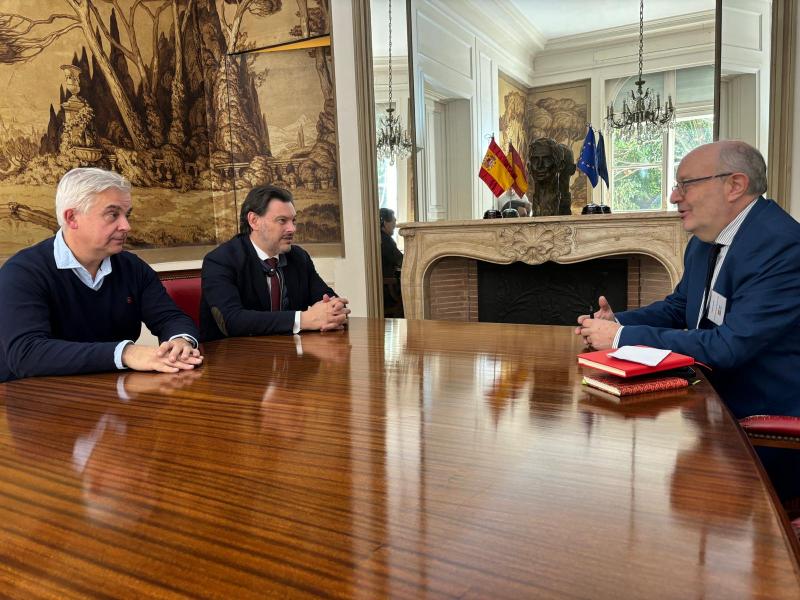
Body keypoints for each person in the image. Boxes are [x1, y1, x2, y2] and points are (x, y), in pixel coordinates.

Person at [576, 140, 800, 419]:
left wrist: (621, 338)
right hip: (706, 400)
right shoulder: (704, 240)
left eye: (686, 184)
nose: (673, 197)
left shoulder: (781, 246)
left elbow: (728, 346)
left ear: (735, 185)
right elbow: (679, 307)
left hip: (759, 421)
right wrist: (618, 322)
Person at [0, 168, 203, 383]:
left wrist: (180, 341)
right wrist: (126, 353)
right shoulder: (22, 272)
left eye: (127, 215)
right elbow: (26, 354)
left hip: (112, 393)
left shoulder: (132, 267)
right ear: (72, 218)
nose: (126, 226)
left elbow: (171, 318)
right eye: (113, 214)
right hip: (35, 400)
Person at [200, 184, 350, 340]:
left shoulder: (298, 257)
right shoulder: (220, 260)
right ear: (254, 221)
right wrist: (302, 319)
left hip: (291, 355)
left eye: (294, 221)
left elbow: (328, 299)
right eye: (282, 221)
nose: (292, 229)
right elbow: (231, 321)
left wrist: (334, 310)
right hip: (232, 357)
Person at [380, 208, 403, 276]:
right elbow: (401, 260)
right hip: (389, 283)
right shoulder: (385, 240)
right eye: (393, 223)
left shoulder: (380, 237)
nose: (394, 226)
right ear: (385, 223)